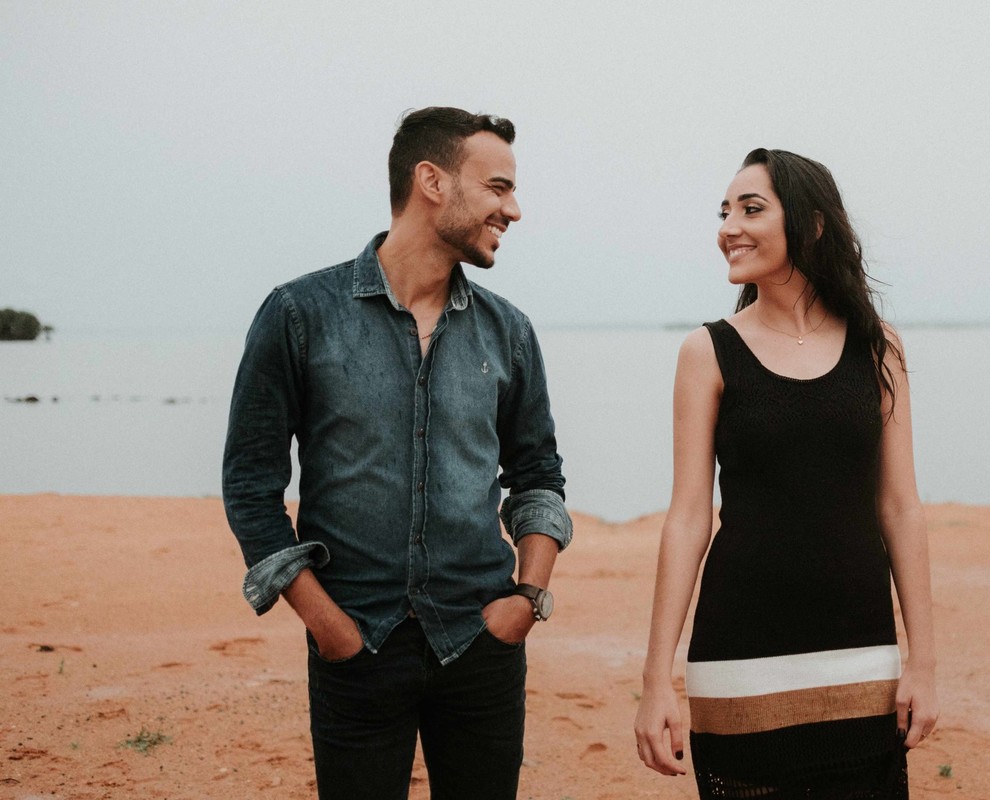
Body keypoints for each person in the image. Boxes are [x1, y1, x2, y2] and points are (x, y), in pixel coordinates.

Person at [222, 107, 571, 800]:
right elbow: (250, 487)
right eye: (498, 187)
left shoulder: (510, 333)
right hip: (355, 642)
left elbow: (537, 476)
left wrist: (527, 597)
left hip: (480, 642)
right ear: (432, 181)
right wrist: (326, 624)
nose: (515, 210)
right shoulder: (299, 315)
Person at [634, 149, 938, 798]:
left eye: (751, 208)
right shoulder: (707, 352)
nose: (728, 227)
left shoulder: (879, 349)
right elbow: (688, 516)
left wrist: (925, 663)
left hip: (862, 653)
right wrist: (656, 677)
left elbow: (901, 507)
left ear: (813, 224)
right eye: (724, 212)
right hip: (740, 661)